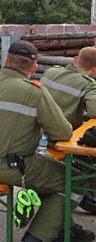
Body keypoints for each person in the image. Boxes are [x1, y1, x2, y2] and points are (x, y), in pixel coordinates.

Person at [0, 41, 94, 242]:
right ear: (34, 68)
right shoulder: (34, 92)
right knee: (78, 181)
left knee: (53, 170)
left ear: (6, 61)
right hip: (13, 167)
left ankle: (65, 227)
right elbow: (63, 133)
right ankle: (38, 239)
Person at [41, 46, 96, 214]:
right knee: (88, 151)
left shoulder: (51, 72)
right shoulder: (88, 84)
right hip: (59, 138)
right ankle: (84, 193)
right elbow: (94, 112)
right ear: (94, 70)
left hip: (36, 133)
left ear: (74, 59)